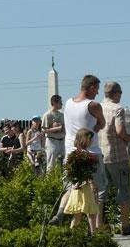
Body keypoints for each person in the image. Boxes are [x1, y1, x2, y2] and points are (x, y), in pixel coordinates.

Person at [49, 75, 106, 227]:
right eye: (97, 89)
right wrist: (95, 129)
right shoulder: (93, 105)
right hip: (91, 153)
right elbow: (102, 122)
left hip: (71, 152)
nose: (97, 93)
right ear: (91, 87)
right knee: (95, 191)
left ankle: (60, 213)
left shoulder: (68, 103)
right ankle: (95, 228)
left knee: (72, 188)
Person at [99, 81, 130, 235]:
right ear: (116, 93)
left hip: (101, 154)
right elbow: (120, 131)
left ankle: (99, 226)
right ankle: (125, 226)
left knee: (102, 191)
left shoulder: (98, 107)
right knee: (124, 189)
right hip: (118, 155)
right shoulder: (118, 109)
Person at [64, 128, 99, 232]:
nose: (92, 141)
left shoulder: (75, 153)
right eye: (90, 139)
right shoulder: (84, 155)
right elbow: (86, 172)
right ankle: (93, 234)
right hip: (84, 187)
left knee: (78, 213)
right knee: (91, 212)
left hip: (76, 187)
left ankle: (72, 234)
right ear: (84, 139)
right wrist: (92, 183)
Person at [42, 94, 65, 171]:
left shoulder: (62, 115)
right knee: (51, 164)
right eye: (60, 102)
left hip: (62, 140)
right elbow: (43, 130)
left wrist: (61, 128)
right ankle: (50, 182)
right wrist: (55, 128)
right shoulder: (47, 115)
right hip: (52, 141)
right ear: (54, 103)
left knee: (64, 162)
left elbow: (64, 127)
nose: (62, 104)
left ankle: (62, 181)